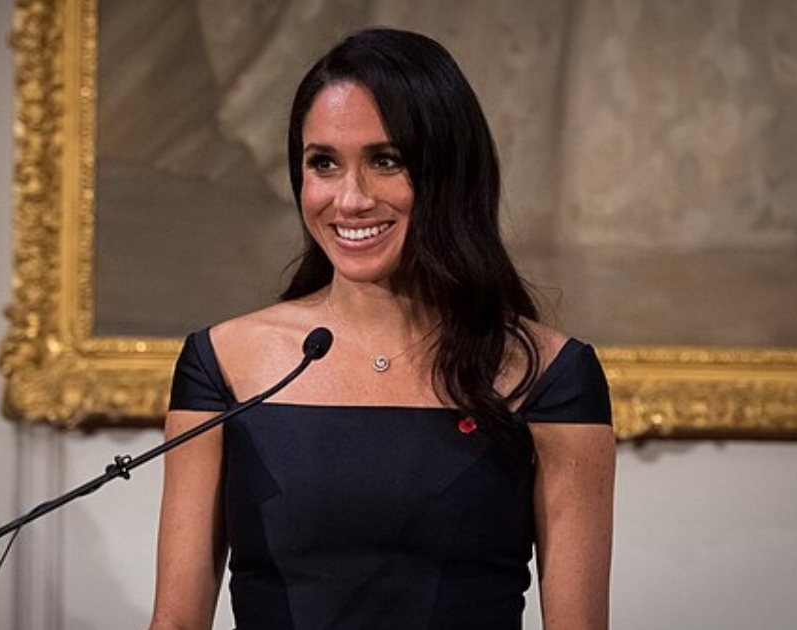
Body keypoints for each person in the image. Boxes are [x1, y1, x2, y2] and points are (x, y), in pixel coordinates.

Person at [149, 28, 615, 630]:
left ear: (450, 173)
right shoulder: (222, 362)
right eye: (324, 164)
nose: (350, 199)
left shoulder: (552, 376)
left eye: (385, 161)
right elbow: (176, 622)